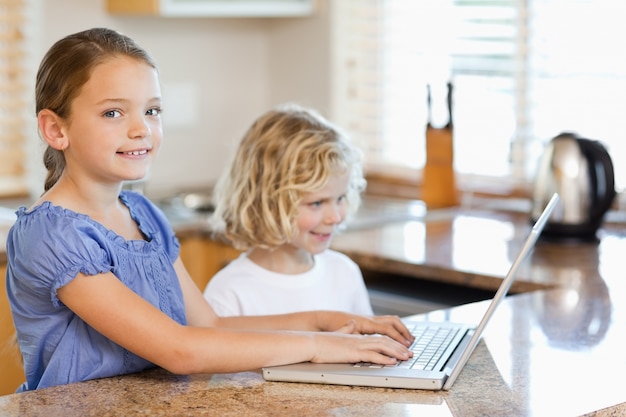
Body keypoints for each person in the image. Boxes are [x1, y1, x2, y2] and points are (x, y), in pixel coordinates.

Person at [5, 27, 413, 392]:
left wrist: (328, 321)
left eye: (152, 110)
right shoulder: (51, 235)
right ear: (56, 129)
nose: (141, 128)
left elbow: (209, 325)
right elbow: (179, 349)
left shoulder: (142, 214)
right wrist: (320, 346)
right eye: (114, 112)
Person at [203, 104, 374, 317]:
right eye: (317, 203)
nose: (336, 217)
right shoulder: (229, 294)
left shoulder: (344, 273)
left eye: (340, 198)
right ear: (268, 202)